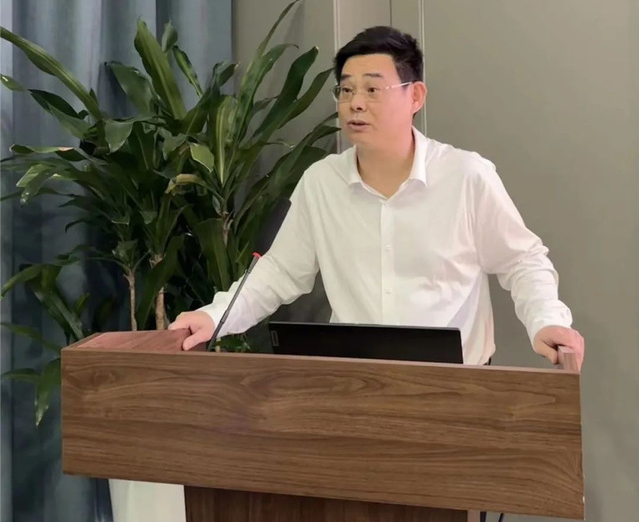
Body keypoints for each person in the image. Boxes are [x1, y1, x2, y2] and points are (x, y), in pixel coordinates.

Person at [169, 26, 584, 370]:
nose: (356, 104)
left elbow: (522, 261)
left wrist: (546, 321)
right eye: (346, 90)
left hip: (458, 386)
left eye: (372, 89)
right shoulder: (322, 182)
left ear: (415, 96)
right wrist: (214, 316)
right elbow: (279, 273)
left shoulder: (465, 176)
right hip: (356, 387)